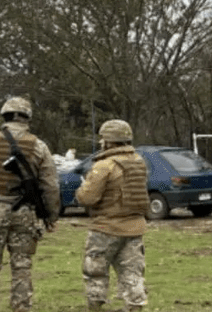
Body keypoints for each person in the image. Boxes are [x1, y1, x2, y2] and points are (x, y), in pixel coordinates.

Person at [0, 96, 60, 312]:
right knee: (22, 266)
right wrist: (51, 217)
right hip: (25, 213)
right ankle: (21, 307)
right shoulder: (39, 146)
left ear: (4, 115)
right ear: (27, 118)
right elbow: (50, 186)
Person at [77, 119, 148, 312]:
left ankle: (96, 307)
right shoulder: (138, 162)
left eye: (103, 138)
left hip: (105, 228)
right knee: (132, 273)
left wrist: (81, 188)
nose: (101, 142)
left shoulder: (105, 165)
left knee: (95, 272)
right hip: (134, 227)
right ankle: (134, 307)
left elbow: (87, 197)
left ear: (109, 141)